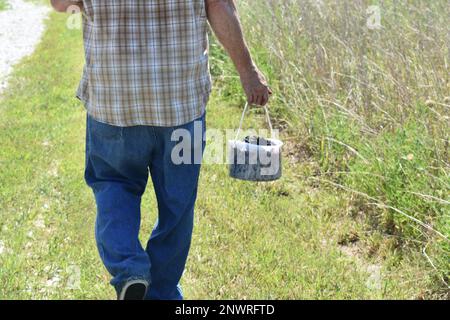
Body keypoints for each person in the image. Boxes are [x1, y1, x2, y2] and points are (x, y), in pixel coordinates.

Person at [51, 0, 271, 300]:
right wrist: (248, 72)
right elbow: (219, 6)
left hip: (113, 102)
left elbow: (61, 4)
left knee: (114, 186)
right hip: (180, 104)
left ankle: (130, 271)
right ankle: (162, 292)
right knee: (177, 206)